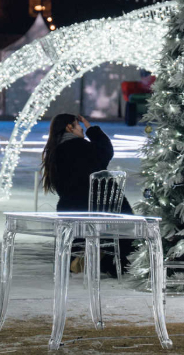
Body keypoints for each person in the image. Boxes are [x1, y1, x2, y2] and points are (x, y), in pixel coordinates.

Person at [41, 112, 133, 275]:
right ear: (69, 127)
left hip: (71, 211)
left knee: (81, 232)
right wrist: (91, 129)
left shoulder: (53, 153)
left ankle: (77, 256)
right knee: (126, 225)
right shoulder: (82, 147)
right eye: (78, 125)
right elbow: (106, 151)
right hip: (100, 209)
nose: (81, 129)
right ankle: (109, 261)